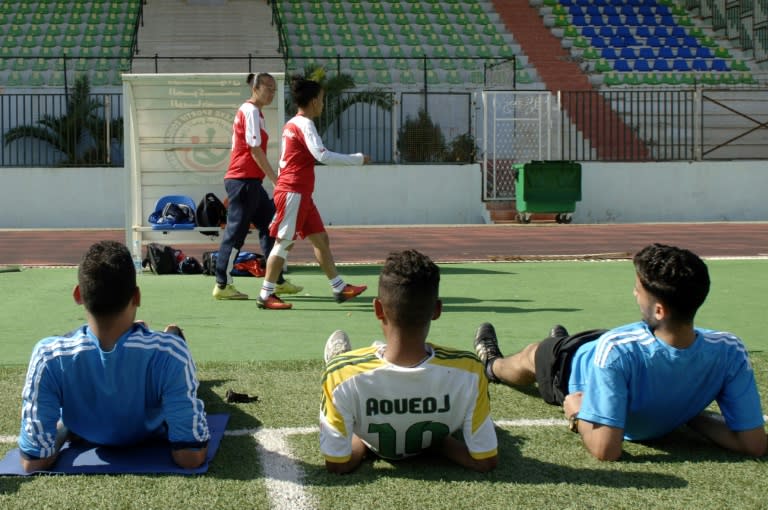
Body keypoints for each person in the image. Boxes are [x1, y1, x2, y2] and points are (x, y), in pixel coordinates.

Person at [474, 243, 767, 461]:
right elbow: (753, 443)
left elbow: (606, 449)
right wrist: (687, 414)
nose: (634, 293)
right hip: (605, 346)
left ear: (660, 309)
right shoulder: (730, 350)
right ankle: (560, 339)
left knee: (530, 357)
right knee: (575, 343)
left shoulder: (616, 351)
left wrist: (577, 414)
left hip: (572, 366)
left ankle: (491, 365)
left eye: (638, 289)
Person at [18, 240, 210, 472]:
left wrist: (64, 428)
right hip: (154, 388)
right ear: (137, 297)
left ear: (78, 295)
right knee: (172, 347)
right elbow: (190, 457)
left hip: (82, 419)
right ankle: (165, 333)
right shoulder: (171, 353)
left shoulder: (48, 356)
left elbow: (33, 460)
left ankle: (148, 333)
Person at [319, 249, 499, 473]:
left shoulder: (340, 376)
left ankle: (342, 358)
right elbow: (485, 460)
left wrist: (364, 442)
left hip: (354, 386)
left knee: (345, 371)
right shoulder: (470, 370)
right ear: (437, 310)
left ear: (377, 309)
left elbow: (337, 464)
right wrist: (438, 442)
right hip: (442, 401)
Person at [257, 77, 370, 310]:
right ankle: (265, 294)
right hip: (294, 192)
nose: (323, 104)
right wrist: (357, 160)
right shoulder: (305, 124)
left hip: (299, 193)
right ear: (314, 100)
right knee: (283, 243)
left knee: (320, 238)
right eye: (322, 99)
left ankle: (339, 288)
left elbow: (286, 161)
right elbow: (322, 155)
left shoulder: (292, 124)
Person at [213, 72, 302, 301]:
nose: (272, 93)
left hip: (250, 182)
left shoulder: (255, 112)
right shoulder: (251, 111)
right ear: (256, 88)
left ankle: (276, 280)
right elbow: (254, 149)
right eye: (268, 88)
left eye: (274, 89)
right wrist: (275, 179)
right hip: (243, 181)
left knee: (271, 225)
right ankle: (222, 284)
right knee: (236, 232)